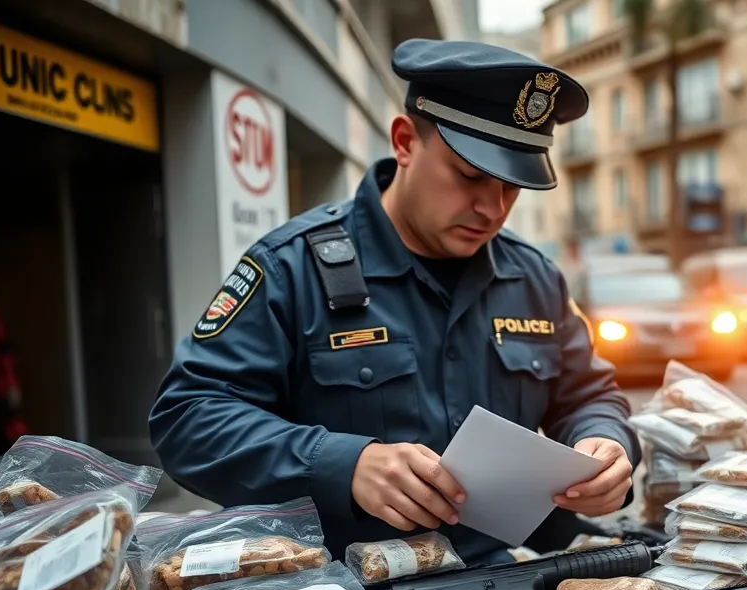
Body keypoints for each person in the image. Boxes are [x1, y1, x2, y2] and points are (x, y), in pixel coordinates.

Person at [149, 39, 639, 563]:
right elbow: (188, 419)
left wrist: (605, 443)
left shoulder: (533, 275)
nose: (492, 209)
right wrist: (341, 463)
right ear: (405, 142)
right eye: (470, 176)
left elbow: (589, 394)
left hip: (509, 586)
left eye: (512, 188)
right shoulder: (291, 268)